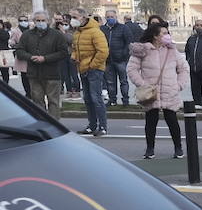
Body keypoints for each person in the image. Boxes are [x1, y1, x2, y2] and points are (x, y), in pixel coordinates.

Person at [129, 22, 189, 159]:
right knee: (151, 120)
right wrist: (142, 84)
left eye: (168, 33)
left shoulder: (172, 50)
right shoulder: (143, 50)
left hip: (169, 91)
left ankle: (178, 148)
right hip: (151, 92)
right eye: (164, 33)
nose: (167, 35)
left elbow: (184, 69)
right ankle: (150, 149)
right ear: (155, 36)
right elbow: (131, 69)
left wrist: (178, 85)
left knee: (172, 119)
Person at [14, 12, 68, 120]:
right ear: (34, 21)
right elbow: (19, 50)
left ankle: (54, 125)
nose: (40, 23)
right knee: (37, 101)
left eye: (43, 20)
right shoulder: (27, 35)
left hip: (52, 74)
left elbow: (63, 52)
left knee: (53, 101)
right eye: (38, 20)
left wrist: (45, 58)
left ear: (48, 21)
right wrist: (30, 57)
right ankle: (42, 124)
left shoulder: (56, 35)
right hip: (34, 74)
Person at [70, 9, 109, 137]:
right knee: (87, 98)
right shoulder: (77, 33)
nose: (72, 19)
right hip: (82, 68)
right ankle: (92, 125)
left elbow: (103, 51)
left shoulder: (95, 32)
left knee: (96, 98)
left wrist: (92, 65)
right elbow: (76, 48)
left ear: (83, 17)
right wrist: (74, 56)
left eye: (75, 16)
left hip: (94, 69)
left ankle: (102, 126)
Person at [101, 9, 138, 106]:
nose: (110, 19)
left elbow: (129, 42)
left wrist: (124, 54)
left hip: (121, 60)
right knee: (110, 82)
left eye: (111, 17)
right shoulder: (102, 29)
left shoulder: (123, 28)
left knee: (123, 81)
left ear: (116, 17)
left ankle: (125, 100)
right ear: (105, 18)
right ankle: (112, 100)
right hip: (108, 60)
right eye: (108, 17)